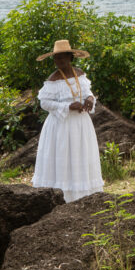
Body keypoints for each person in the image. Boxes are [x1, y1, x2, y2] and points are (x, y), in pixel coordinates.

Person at [32, 39, 104, 202]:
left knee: (80, 155)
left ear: (70, 58)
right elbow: (44, 103)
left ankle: (84, 195)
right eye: (56, 59)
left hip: (81, 124)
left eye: (62, 58)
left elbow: (88, 92)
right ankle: (65, 196)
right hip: (62, 125)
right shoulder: (53, 79)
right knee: (64, 156)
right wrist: (67, 106)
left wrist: (90, 99)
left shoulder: (79, 73)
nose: (59, 62)